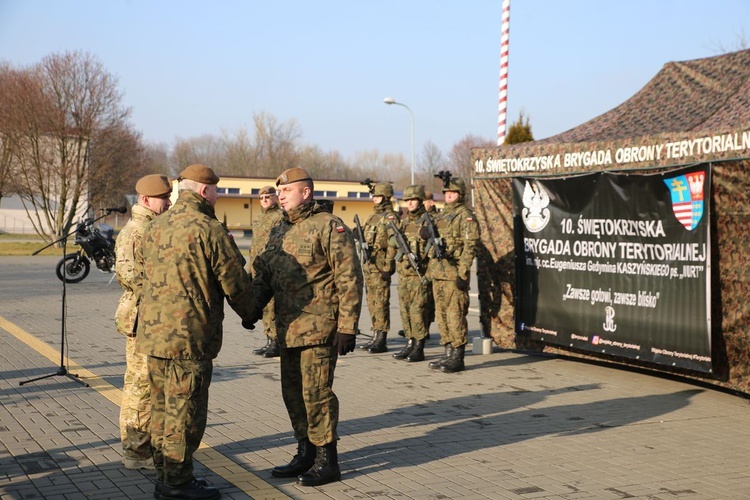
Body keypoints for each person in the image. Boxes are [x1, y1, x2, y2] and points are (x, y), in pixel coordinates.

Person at [134, 164, 256, 500]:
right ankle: (178, 483)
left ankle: (164, 474)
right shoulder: (209, 229)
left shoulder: (156, 226)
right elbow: (235, 284)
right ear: (204, 191)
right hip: (189, 340)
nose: (218, 195)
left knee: (160, 408)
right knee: (184, 413)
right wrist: (251, 313)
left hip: (154, 336)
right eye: (217, 190)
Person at [244, 167, 363, 487]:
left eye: (287, 191)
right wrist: (251, 308)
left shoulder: (329, 226)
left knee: (317, 394)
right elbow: (265, 275)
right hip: (288, 328)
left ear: (306, 193)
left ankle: (327, 459)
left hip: (319, 329)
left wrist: (348, 326)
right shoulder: (279, 229)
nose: (280, 196)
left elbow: (349, 278)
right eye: (278, 192)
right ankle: (305, 451)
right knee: (293, 394)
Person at [114, 173, 172, 470]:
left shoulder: (151, 228)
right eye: (163, 198)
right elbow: (131, 276)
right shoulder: (137, 231)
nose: (168, 203)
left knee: (147, 385)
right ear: (146, 200)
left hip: (152, 317)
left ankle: (145, 447)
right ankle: (136, 453)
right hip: (141, 317)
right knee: (139, 387)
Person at [424, 177, 480, 373]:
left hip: (454, 274)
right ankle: (447, 352)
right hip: (438, 274)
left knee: (455, 315)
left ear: (460, 195)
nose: (448, 195)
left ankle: (458, 356)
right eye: (446, 192)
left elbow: (470, 246)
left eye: (453, 193)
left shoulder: (465, 216)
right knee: (442, 316)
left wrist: (463, 273)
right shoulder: (441, 216)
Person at [390, 185, 430, 363]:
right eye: (407, 200)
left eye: (413, 200)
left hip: (419, 275)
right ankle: (410, 342)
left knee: (417, 311)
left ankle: (419, 346)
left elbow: (433, 249)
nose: (410, 203)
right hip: (404, 275)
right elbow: (392, 242)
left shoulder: (427, 221)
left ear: (420, 200)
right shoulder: (404, 223)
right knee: (405, 311)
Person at [357, 182, 398, 353]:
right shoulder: (372, 216)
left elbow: (393, 243)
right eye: (374, 196)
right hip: (369, 266)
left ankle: (381, 338)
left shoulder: (390, 217)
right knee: (372, 302)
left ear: (386, 197)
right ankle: (375, 333)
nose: (375, 199)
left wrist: (388, 265)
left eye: (378, 196)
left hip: (381, 266)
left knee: (381, 302)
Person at [248, 186, 284, 358]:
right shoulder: (258, 218)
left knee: (272, 305)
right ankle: (269, 339)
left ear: (275, 198)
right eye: (261, 198)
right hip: (258, 266)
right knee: (263, 306)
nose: (264, 200)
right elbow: (255, 244)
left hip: (271, 266)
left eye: (268, 197)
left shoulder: (280, 217)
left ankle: (276, 340)